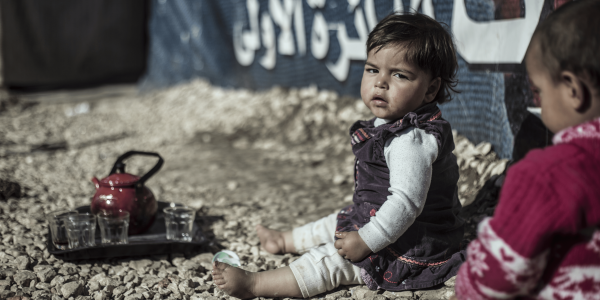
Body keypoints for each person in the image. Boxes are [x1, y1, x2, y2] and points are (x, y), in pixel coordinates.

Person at [212, 12, 465, 299]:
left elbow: (405, 204)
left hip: (410, 243)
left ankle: (255, 285)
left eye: (399, 75)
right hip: (382, 219)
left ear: (430, 89)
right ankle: (285, 240)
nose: (380, 83)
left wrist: (367, 242)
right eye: (372, 70)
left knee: (332, 261)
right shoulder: (394, 123)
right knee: (341, 219)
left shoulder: (411, 140)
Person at [454, 0, 600, 299]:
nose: (539, 105)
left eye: (540, 92)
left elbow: (493, 281)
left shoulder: (545, 175)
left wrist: (466, 282)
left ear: (573, 91)